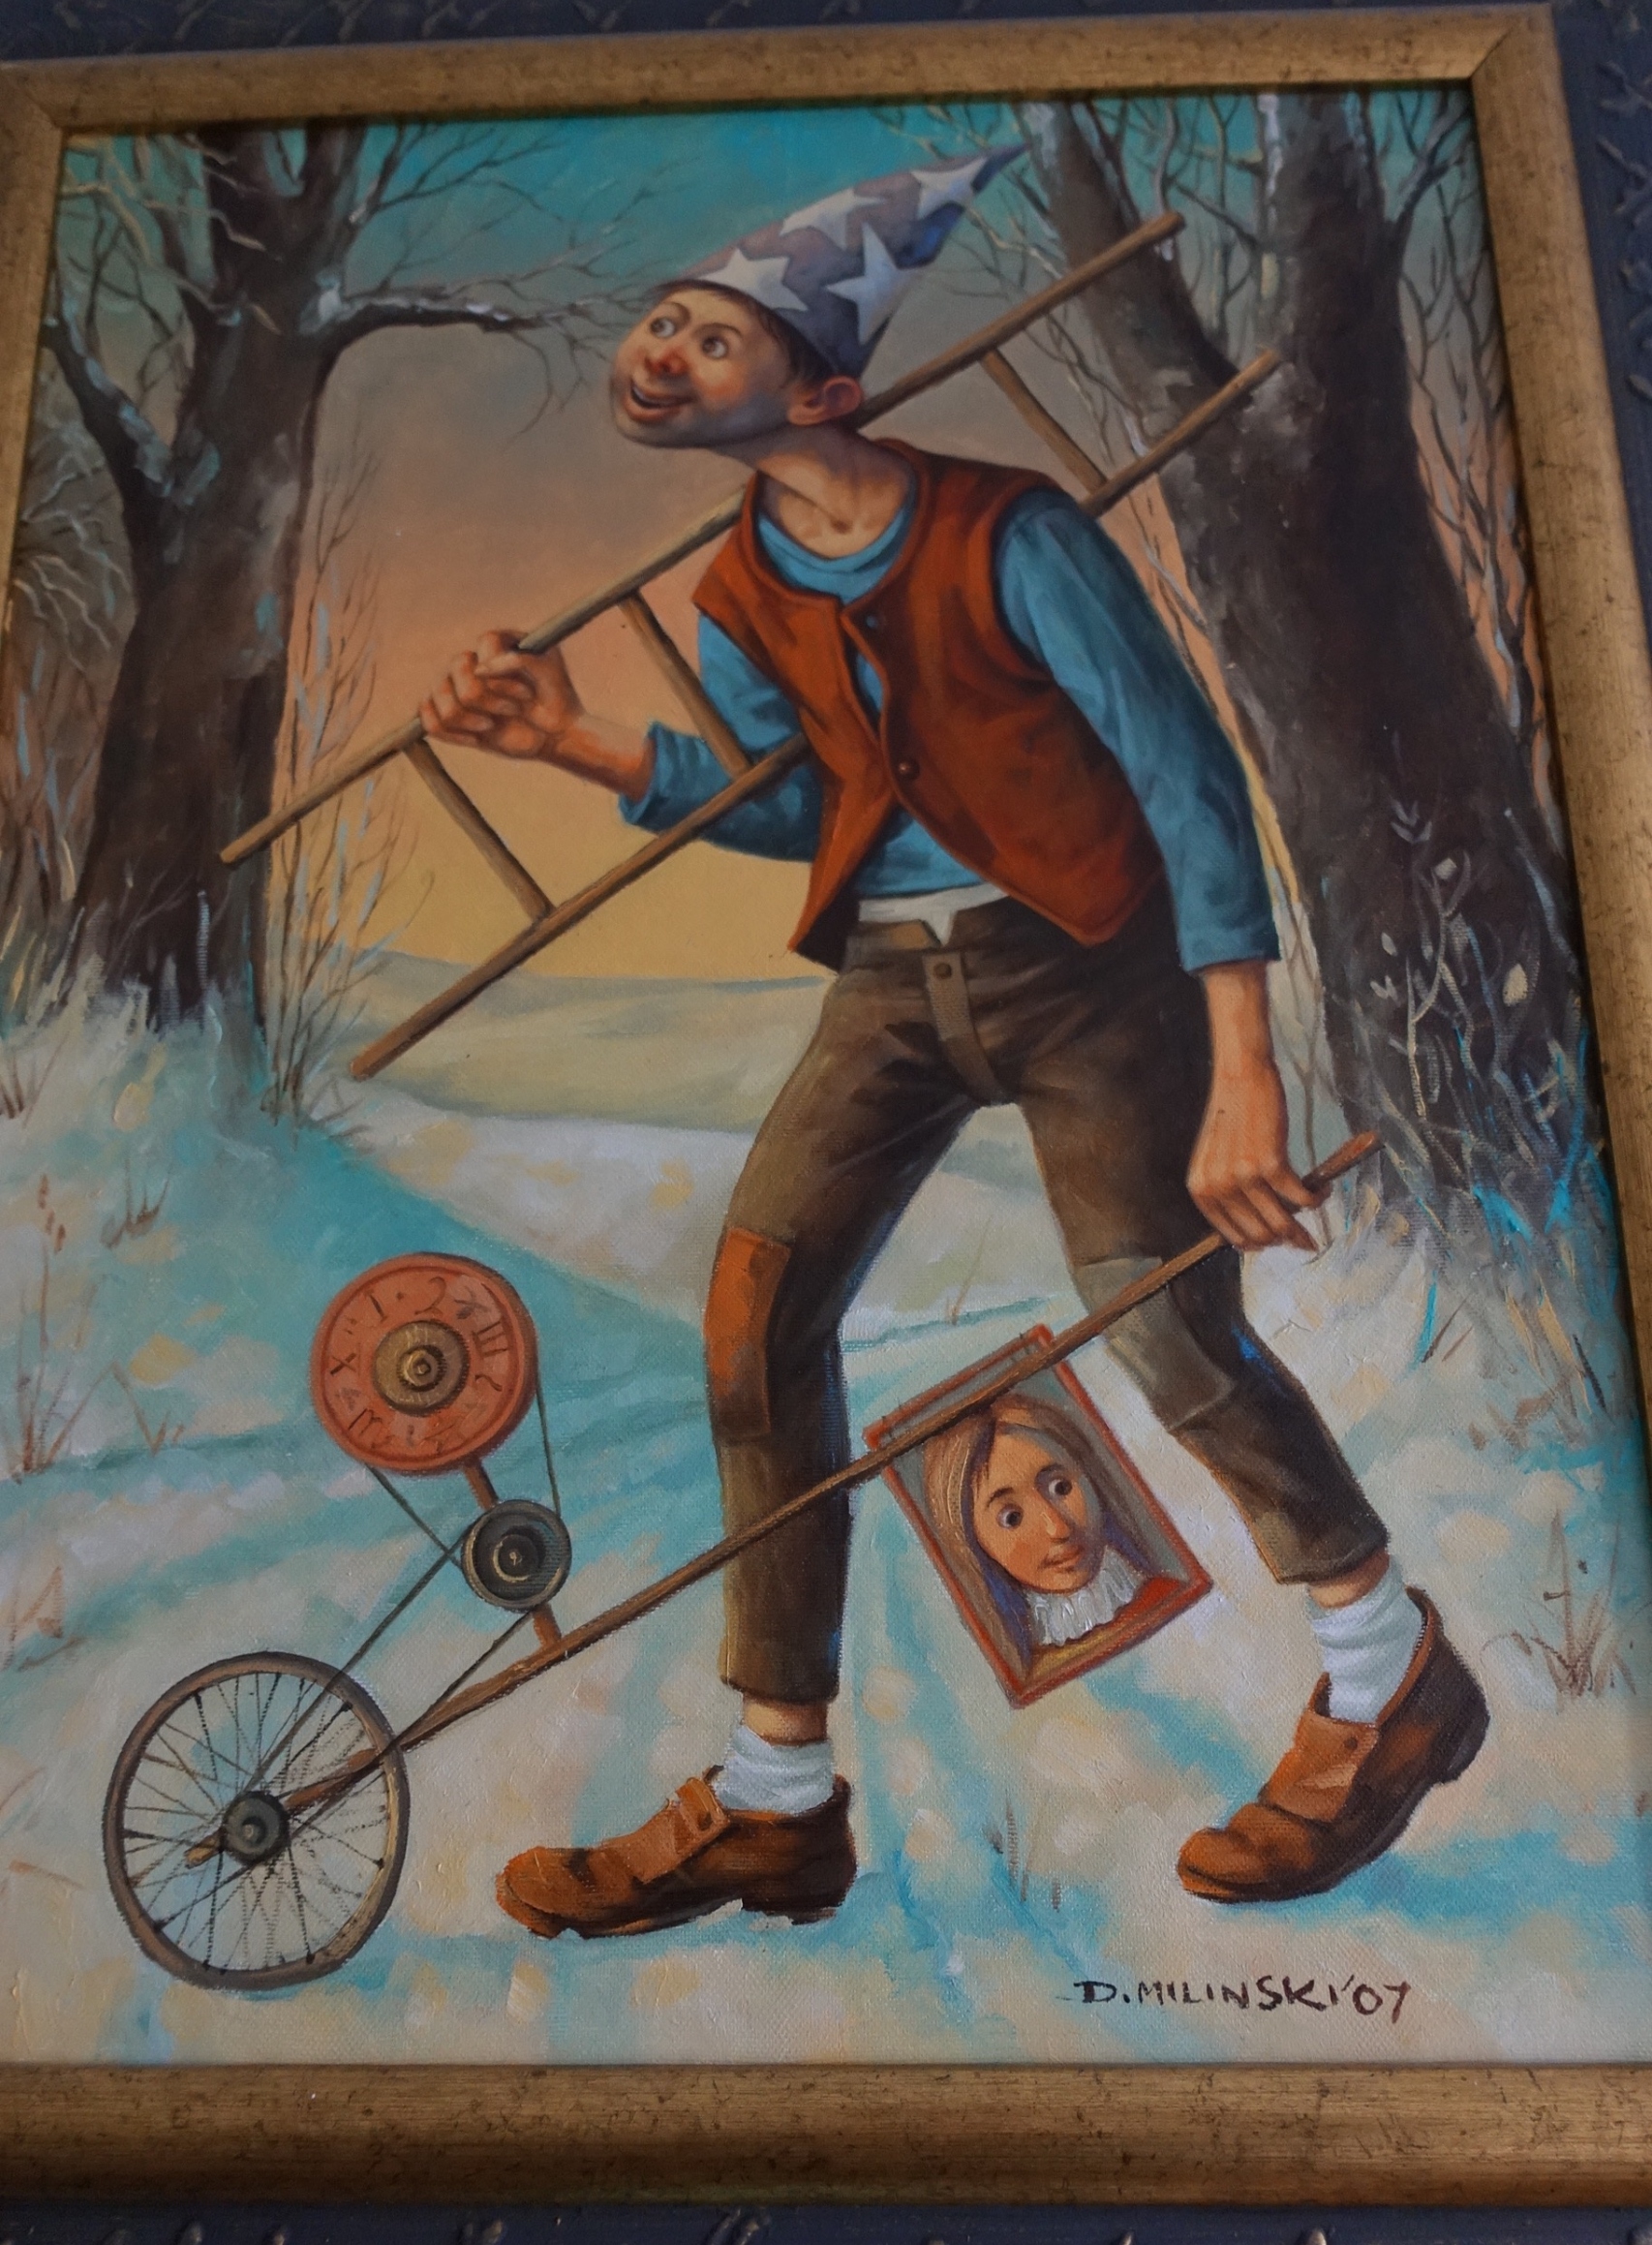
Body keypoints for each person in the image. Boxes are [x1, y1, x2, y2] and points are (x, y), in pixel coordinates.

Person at [419, 151, 1488, 1936]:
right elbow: (801, 813)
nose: (659, 353)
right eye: (659, 324)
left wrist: (1243, 1068)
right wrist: (578, 744)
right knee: (756, 1318)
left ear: (821, 392)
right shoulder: (741, 588)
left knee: (1160, 1315)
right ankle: (776, 1799)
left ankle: (1391, 1671)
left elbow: (1186, 780)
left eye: (707, 336)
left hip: (1092, 972)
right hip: (891, 987)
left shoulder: (1017, 536)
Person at [921, 1392, 1148, 1652]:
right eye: (1012, 1518)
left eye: (1061, 1487)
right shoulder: (1031, 1653)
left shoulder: (1156, 1588)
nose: (1058, 1528)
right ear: (974, 1540)